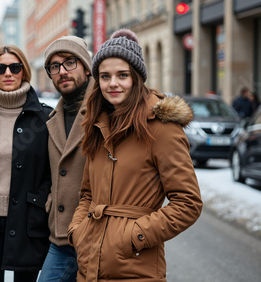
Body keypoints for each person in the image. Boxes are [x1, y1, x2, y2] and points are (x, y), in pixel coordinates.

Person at [67, 29, 203, 281]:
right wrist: (78, 231)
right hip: (89, 266)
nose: (113, 83)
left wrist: (134, 236)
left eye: (122, 75)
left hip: (136, 269)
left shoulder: (161, 128)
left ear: (137, 78)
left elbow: (188, 203)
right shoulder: (97, 125)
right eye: (105, 76)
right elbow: (87, 194)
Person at [0, 45, 52, 282]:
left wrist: (41, 201)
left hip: (28, 220)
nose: (8, 73)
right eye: (0, 67)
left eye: (15, 67)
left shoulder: (44, 118)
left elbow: (52, 172)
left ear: (24, 71)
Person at [38, 36, 94, 282]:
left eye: (70, 62)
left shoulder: (107, 109)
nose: (62, 71)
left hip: (97, 234)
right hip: (61, 235)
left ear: (86, 66)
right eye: (54, 66)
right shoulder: (52, 117)